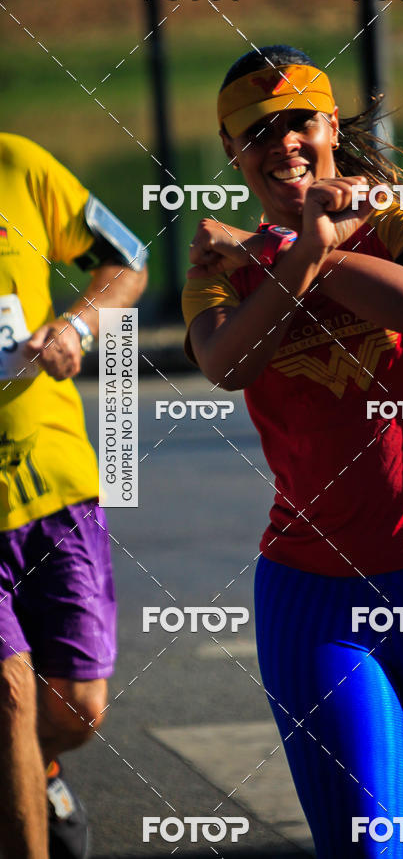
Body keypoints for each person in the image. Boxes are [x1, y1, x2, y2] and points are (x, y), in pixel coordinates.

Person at [182, 45, 403, 858]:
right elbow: (228, 363)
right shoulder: (217, 268)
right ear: (232, 150)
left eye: (298, 122)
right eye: (256, 133)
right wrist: (290, 248)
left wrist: (282, 249)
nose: (283, 143)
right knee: (370, 850)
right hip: (314, 600)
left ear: (331, 125)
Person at [0, 133, 147, 859]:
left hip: (54, 483)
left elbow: (129, 260)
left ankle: (31, 775)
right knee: (10, 700)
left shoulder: (17, 165)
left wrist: (76, 324)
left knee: (77, 709)